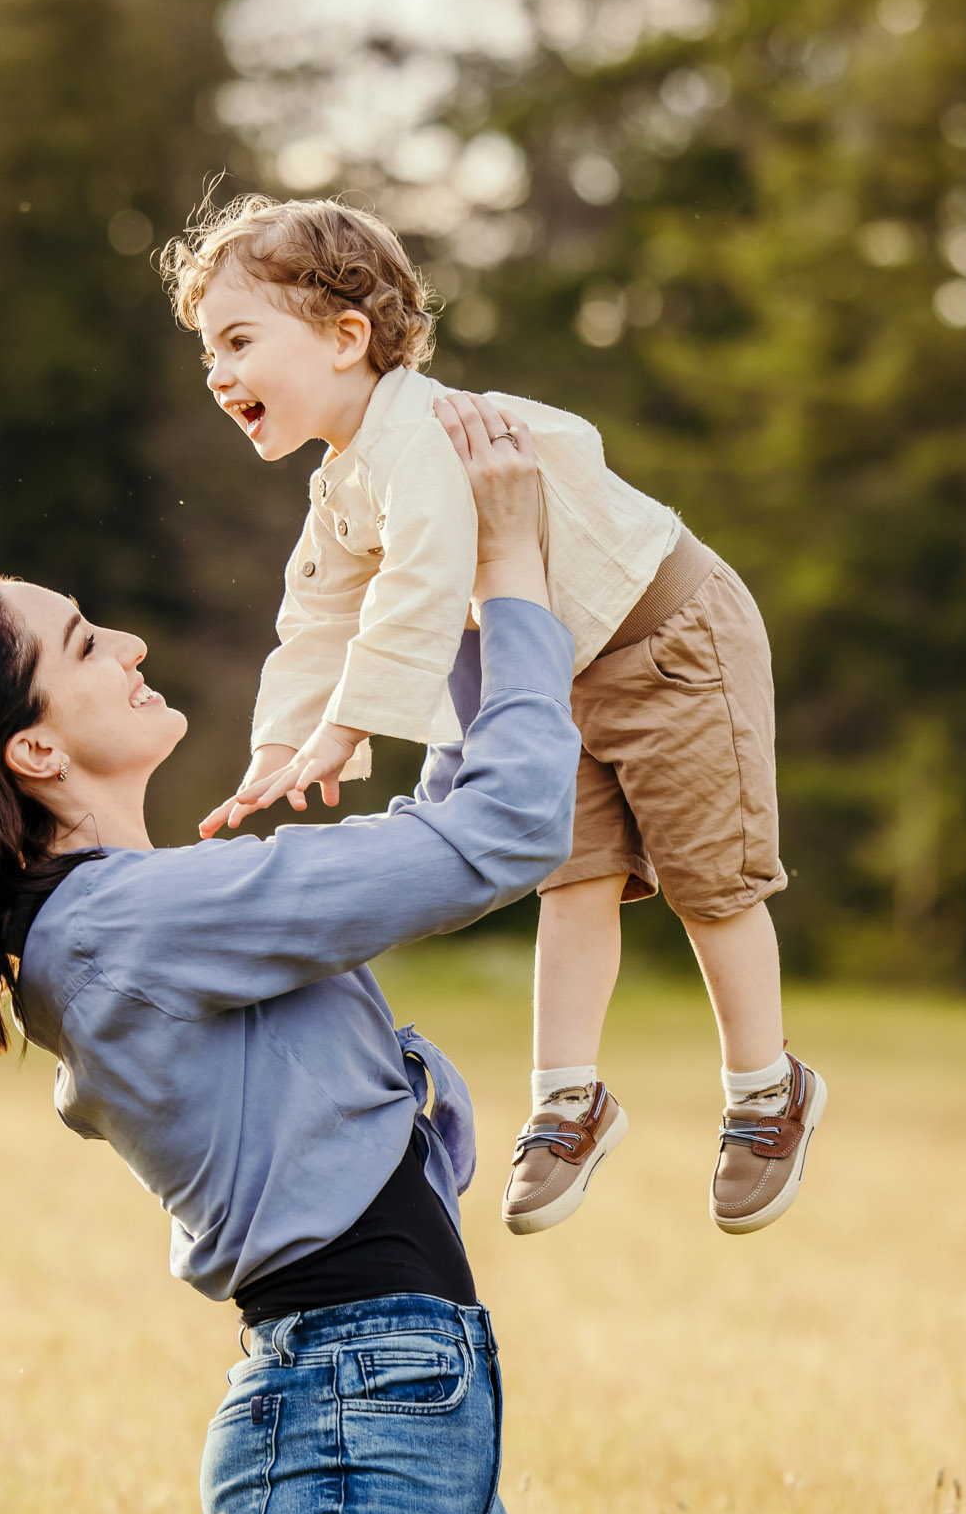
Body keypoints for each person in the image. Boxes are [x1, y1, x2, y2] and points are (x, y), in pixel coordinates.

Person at [0, 395, 567, 1514]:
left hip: (398, 1398)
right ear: (34, 751)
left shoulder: (124, 921)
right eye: (85, 644)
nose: (130, 643)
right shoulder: (128, 926)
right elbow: (507, 829)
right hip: (365, 1408)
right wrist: (511, 573)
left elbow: (454, 827)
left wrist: (459, 612)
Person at [159, 195, 826, 1241]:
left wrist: (355, 726)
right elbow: (317, 614)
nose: (219, 371)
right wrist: (282, 745)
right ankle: (569, 1099)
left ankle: (765, 1090)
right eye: (210, 352)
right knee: (571, 874)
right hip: (559, 672)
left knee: (710, 876)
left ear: (344, 338)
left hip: (669, 640)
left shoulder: (422, 437)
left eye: (240, 340)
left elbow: (423, 588)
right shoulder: (342, 484)